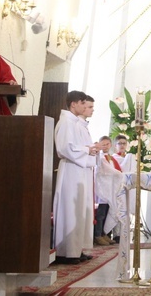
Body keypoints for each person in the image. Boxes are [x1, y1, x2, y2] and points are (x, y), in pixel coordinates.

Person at [53, 90, 103, 264]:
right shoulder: (67, 122)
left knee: (79, 211)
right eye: (82, 103)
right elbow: (64, 148)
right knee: (70, 210)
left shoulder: (74, 122)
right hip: (71, 170)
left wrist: (90, 149)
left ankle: (75, 249)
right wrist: (87, 150)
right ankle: (66, 251)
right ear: (73, 104)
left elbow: (76, 146)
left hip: (79, 169)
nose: (84, 107)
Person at [94, 135, 121, 246]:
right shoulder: (100, 157)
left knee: (107, 212)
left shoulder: (111, 157)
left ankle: (105, 234)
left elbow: (115, 169)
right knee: (100, 214)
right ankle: (98, 235)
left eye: (107, 144)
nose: (105, 146)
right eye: (103, 144)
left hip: (110, 188)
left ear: (110, 145)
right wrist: (120, 175)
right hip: (102, 188)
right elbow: (107, 170)